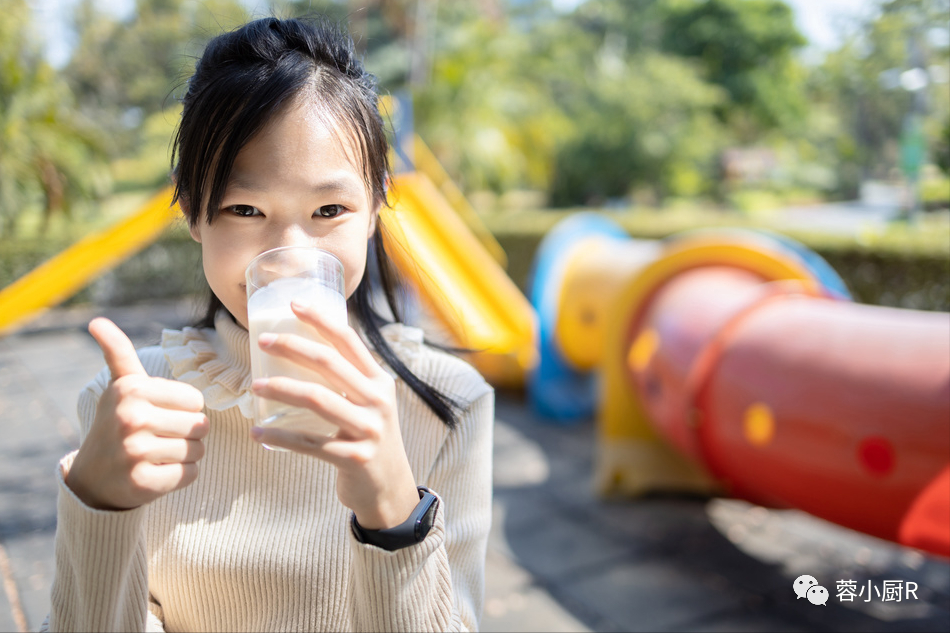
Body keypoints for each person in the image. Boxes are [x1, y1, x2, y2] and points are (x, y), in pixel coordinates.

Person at [43, 15, 494, 632]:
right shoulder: (127, 406)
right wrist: (97, 504)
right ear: (192, 211)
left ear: (375, 207)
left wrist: (396, 513)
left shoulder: (449, 405)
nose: (289, 256)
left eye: (329, 209)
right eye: (245, 208)